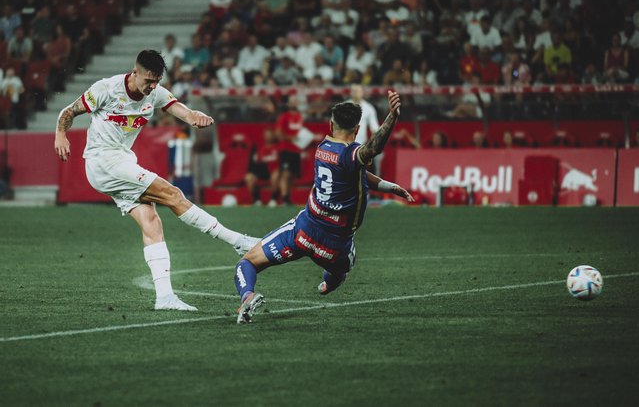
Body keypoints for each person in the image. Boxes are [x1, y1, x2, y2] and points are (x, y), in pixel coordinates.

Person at [54, 50, 259, 311]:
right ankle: (238, 241)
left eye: (157, 81)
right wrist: (61, 134)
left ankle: (164, 297)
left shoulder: (156, 92)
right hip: (103, 162)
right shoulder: (106, 89)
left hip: (123, 161)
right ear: (135, 71)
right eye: (148, 80)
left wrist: (193, 116)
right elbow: (69, 111)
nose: (152, 87)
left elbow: (179, 109)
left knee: (152, 222)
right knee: (173, 194)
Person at [232, 91, 414, 324]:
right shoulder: (351, 153)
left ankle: (247, 296)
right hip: (335, 246)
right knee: (341, 271)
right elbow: (371, 151)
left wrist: (387, 186)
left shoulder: (323, 147)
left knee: (247, 262)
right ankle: (327, 285)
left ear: (331, 124)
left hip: (303, 233)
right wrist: (393, 117)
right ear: (357, 130)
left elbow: (355, 170)